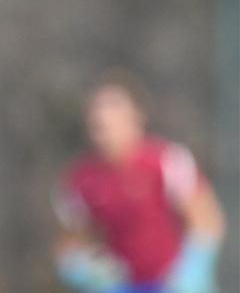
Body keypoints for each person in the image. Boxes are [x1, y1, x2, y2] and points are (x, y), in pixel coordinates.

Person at [52, 78, 226, 293]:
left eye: (114, 122)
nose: (106, 134)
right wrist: (81, 268)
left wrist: (193, 268)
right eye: (98, 126)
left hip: (172, 282)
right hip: (124, 285)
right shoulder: (81, 180)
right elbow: (71, 240)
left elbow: (206, 218)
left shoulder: (166, 161)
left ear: (136, 117)